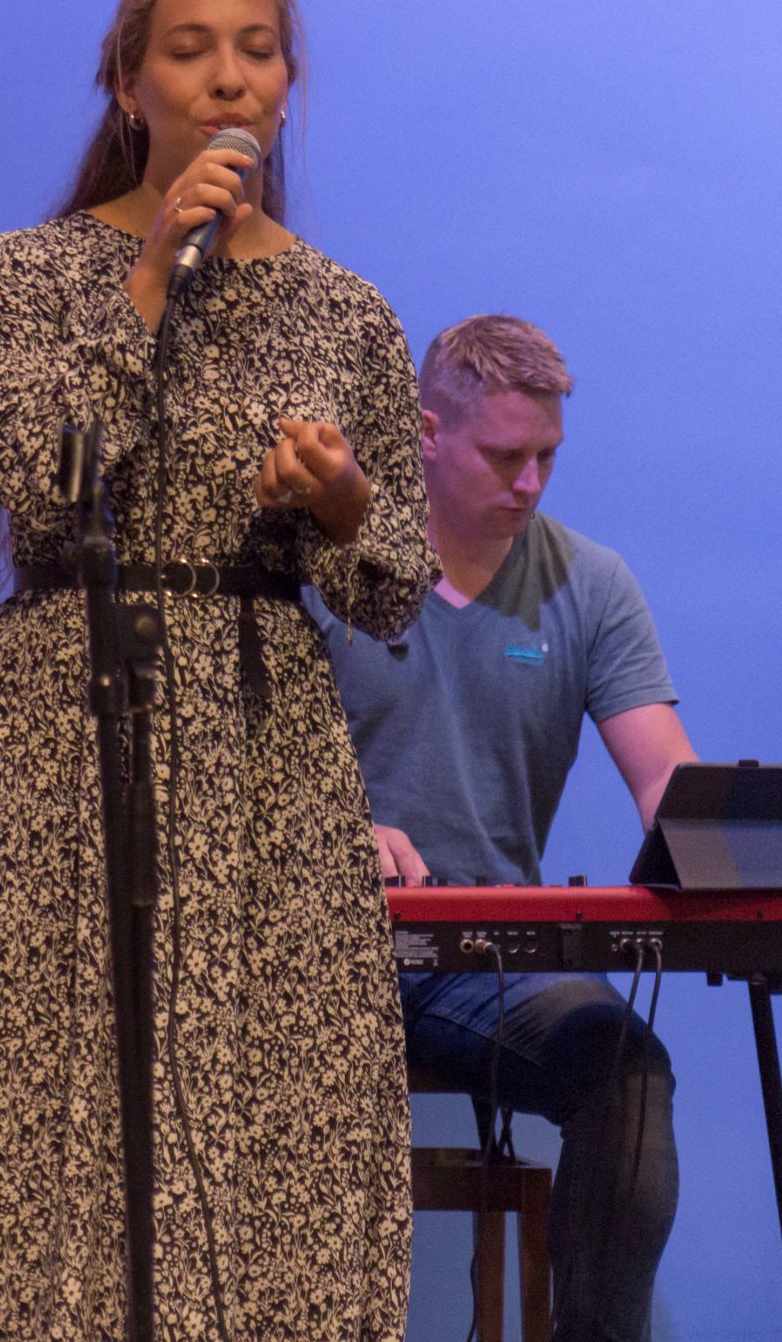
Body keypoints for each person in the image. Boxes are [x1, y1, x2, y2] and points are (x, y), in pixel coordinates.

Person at [0, 0, 434, 1340]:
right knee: (52, 1105)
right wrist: (146, 278)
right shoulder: (27, 275)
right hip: (70, 728)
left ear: (289, 78)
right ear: (128, 81)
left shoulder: (348, 311)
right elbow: (41, 476)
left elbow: (394, 589)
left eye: (255, 49)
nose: (226, 79)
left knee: (275, 1113)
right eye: (189, 50)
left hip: (265, 752)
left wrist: (341, 500)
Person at [309, 314, 688, 1342]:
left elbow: (666, 777)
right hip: (312, 943)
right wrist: (338, 829)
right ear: (426, 433)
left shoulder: (590, 585)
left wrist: (718, 841)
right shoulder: (323, 564)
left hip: (481, 961)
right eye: (505, 456)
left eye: (546, 458)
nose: (529, 483)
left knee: (627, 1076)